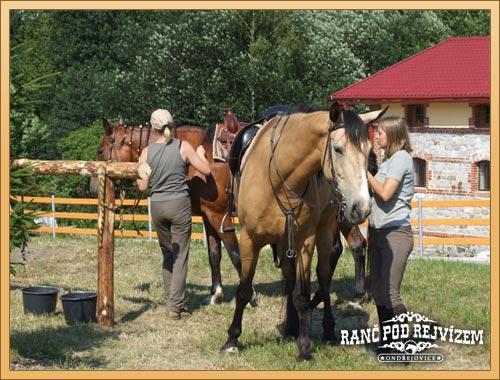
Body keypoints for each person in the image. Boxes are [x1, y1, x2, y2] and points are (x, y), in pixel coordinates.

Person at [136, 109, 211, 320]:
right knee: (180, 256)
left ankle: (174, 301)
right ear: (173, 124)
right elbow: (206, 170)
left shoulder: (146, 152)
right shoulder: (183, 146)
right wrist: (202, 155)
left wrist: (139, 171)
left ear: (153, 128)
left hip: (158, 206)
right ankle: (174, 307)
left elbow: (142, 186)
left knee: (168, 254)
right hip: (179, 204)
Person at [366, 116, 414, 339]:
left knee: (390, 293)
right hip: (377, 232)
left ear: (393, 135)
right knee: (377, 291)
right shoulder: (387, 161)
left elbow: (385, 193)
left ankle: (401, 344)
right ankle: (388, 340)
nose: (376, 136)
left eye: (380, 132)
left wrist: (363, 173)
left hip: (396, 233)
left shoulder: (401, 158)